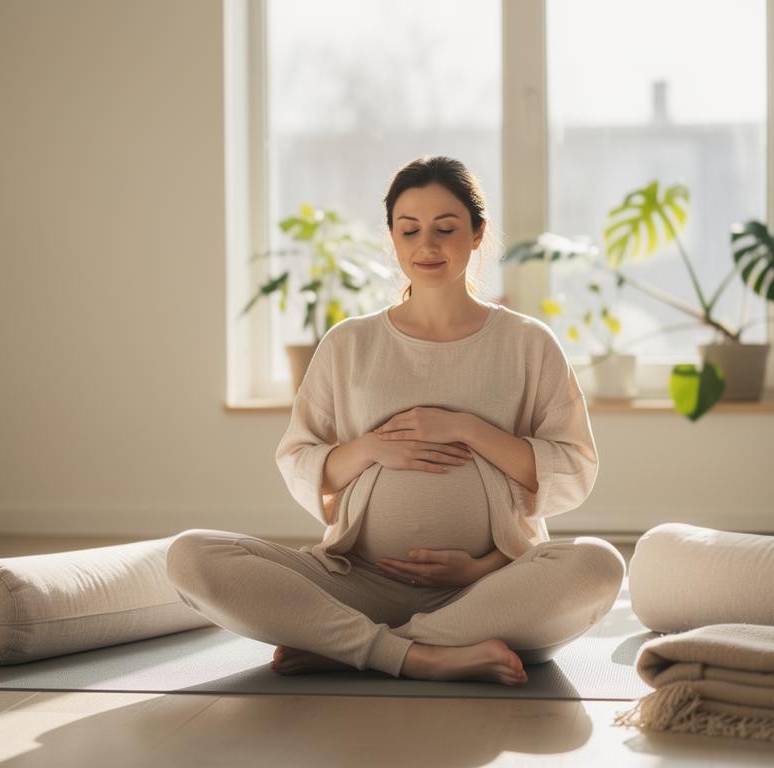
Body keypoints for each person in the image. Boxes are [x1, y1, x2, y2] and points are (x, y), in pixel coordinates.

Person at [165, 155, 625, 686]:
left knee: (599, 564)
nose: (426, 246)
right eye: (409, 230)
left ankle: (351, 645)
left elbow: (574, 465)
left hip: (487, 588)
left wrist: (466, 430)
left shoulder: (528, 343)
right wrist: (370, 449)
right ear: (392, 238)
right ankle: (424, 652)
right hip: (356, 581)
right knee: (191, 556)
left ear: (477, 234)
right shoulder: (349, 343)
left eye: (445, 229)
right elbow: (298, 456)